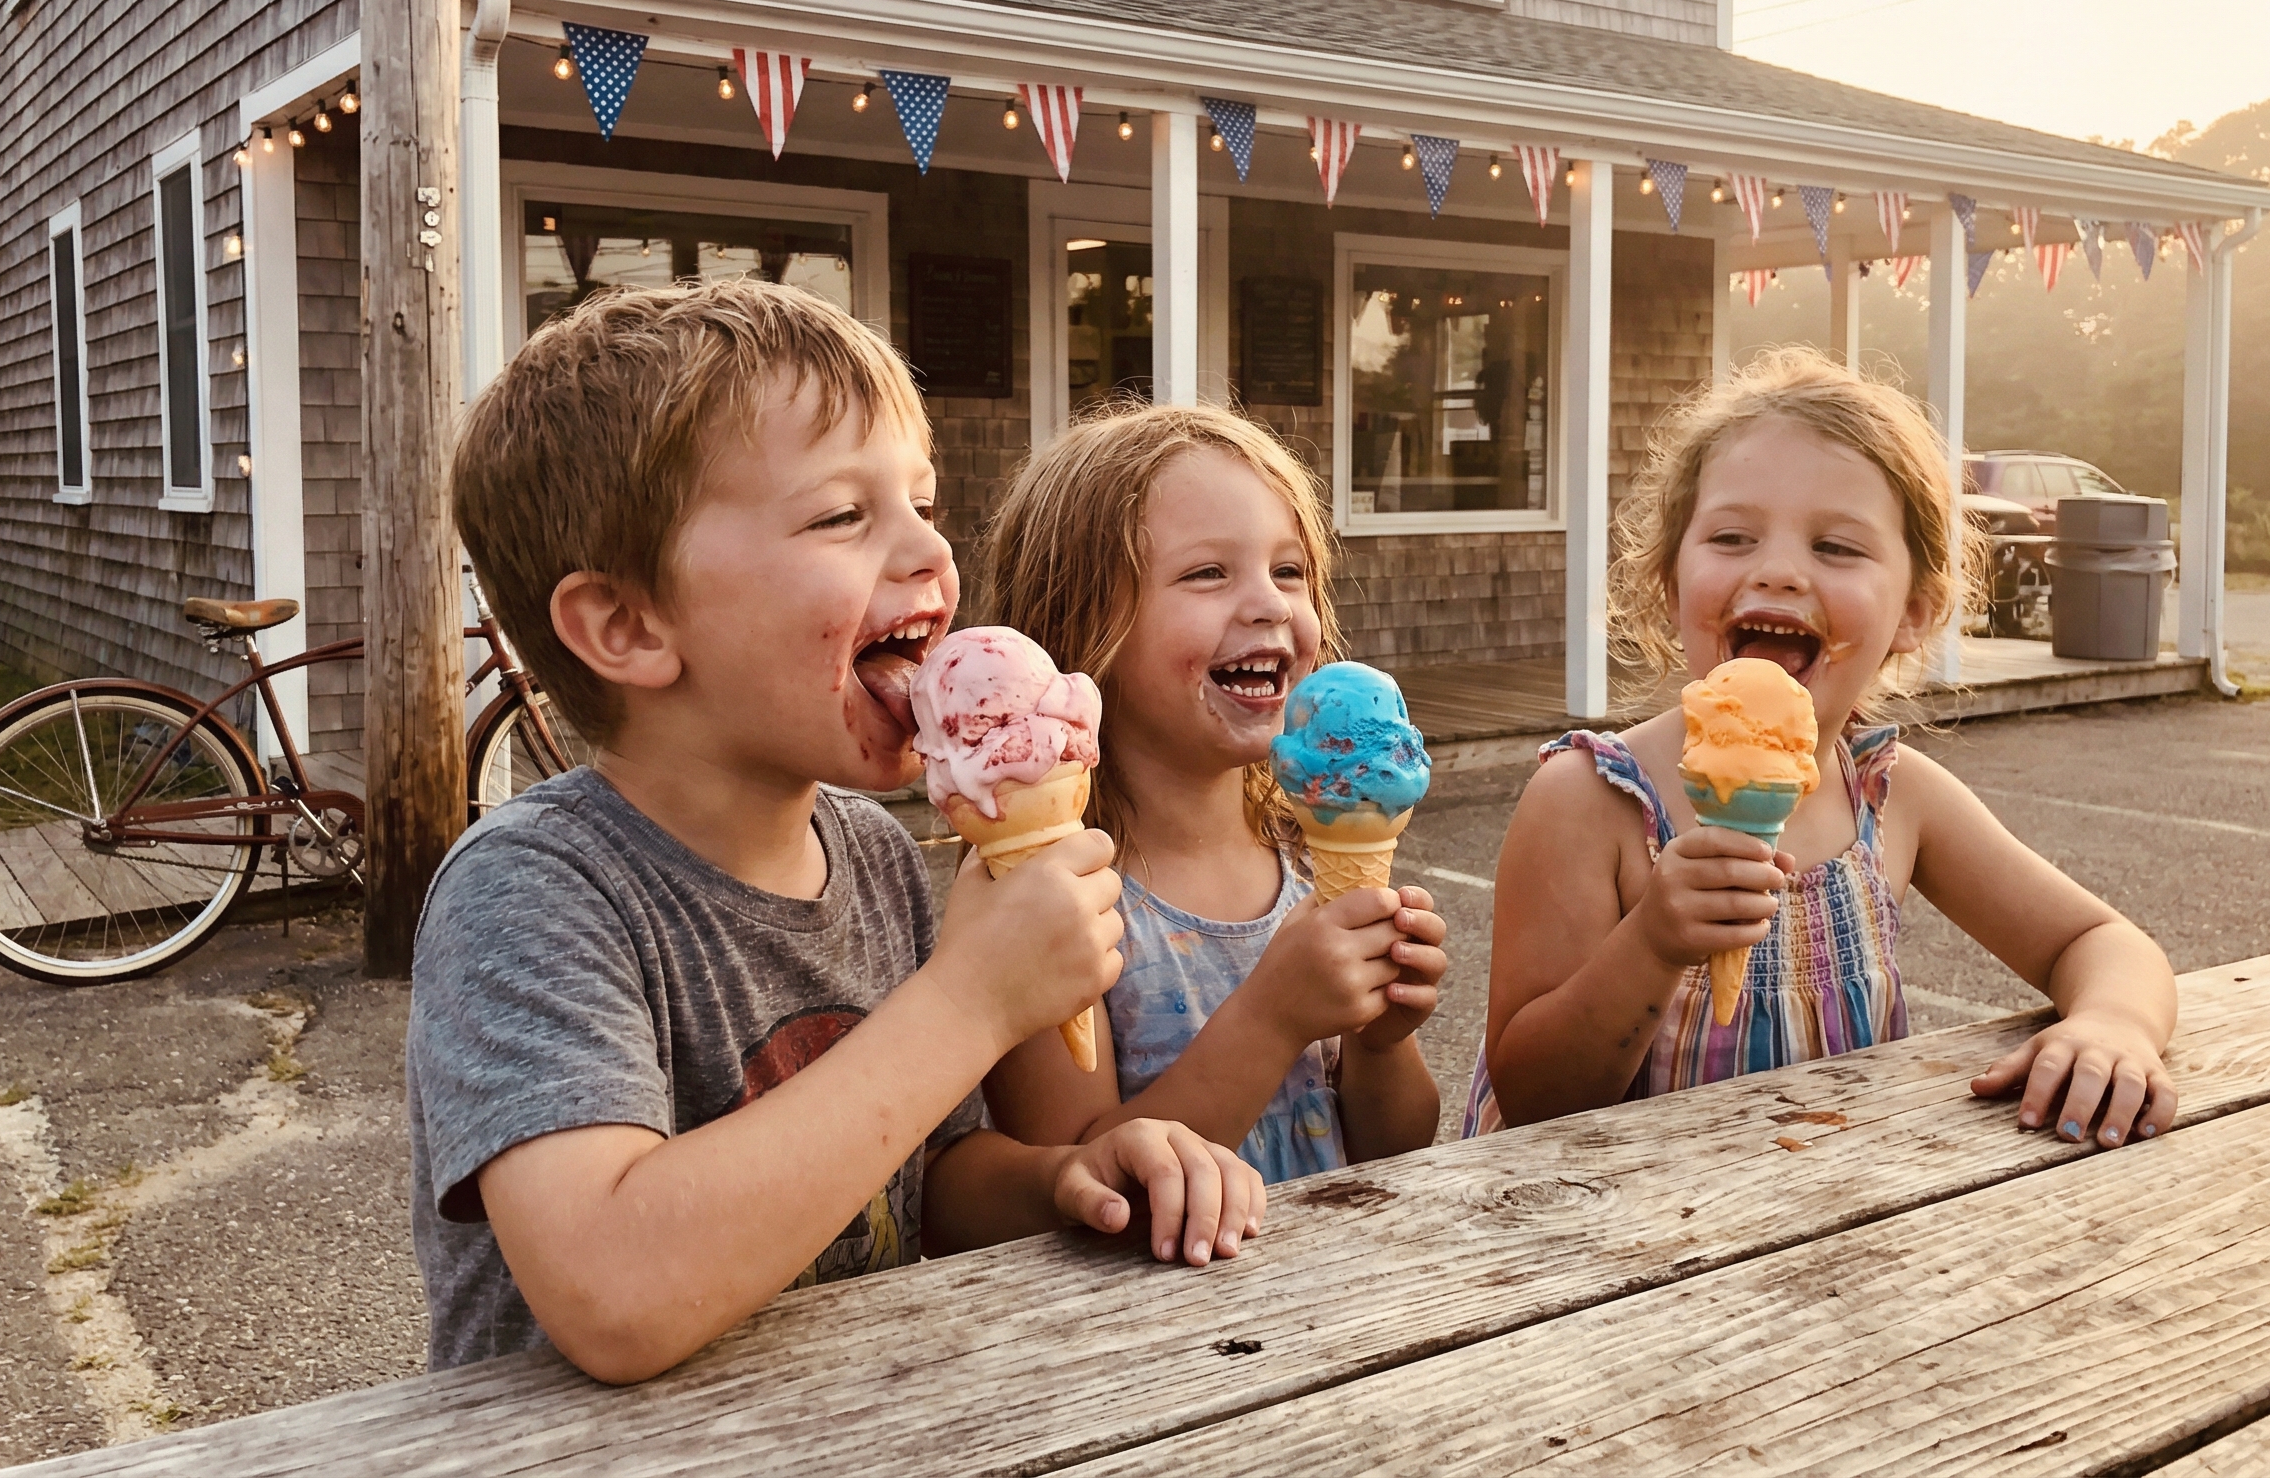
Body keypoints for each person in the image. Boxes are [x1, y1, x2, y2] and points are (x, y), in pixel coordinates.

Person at [409, 282, 1263, 1383]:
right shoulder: (533, 890)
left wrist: (1069, 1177)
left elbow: (931, 1183)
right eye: (842, 515)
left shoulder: (872, 855)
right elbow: (614, 1293)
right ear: (628, 625)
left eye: (923, 501)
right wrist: (969, 1001)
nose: (929, 557)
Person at [1469, 347, 2179, 1147]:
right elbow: (1531, 1098)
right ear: (1669, 582)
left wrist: (2115, 1022)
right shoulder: (1587, 800)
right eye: (1732, 537)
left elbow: (2101, 941)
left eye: (1836, 548)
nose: (1776, 571)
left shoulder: (1896, 797)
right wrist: (1652, 945)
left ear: (1914, 610)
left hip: (1817, 1226)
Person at [978, 404, 1448, 1183]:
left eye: (1289, 571)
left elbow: (1391, 1152)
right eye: (1207, 573)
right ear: (1081, 622)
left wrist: (1381, 1041)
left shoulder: (1306, 854)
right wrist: (1271, 1018)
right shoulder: (1046, 900)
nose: (1268, 603)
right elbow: (1081, 1188)